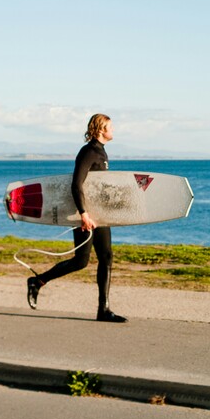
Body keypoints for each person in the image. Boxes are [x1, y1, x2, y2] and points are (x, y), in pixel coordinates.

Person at [26, 114, 127, 323]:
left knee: (106, 257)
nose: (113, 130)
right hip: (86, 216)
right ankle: (38, 281)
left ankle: (104, 310)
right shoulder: (89, 152)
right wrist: (83, 214)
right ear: (101, 129)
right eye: (110, 127)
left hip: (99, 216)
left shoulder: (101, 151)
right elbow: (76, 184)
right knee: (81, 261)